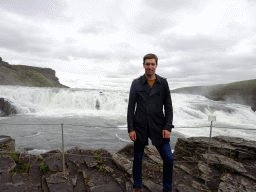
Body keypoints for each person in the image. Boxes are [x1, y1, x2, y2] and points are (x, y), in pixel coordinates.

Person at [127, 53, 174, 192]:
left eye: (152, 64)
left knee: (169, 158)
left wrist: (167, 126)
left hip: (158, 126)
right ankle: (137, 186)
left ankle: (167, 188)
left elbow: (169, 107)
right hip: (140, 126)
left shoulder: (163, 83)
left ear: (156, 65)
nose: (150, 67)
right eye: (147, 64)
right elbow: (131, 108)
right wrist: (131, 128)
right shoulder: (136, 83)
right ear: (143, 65)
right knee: (137, 159)